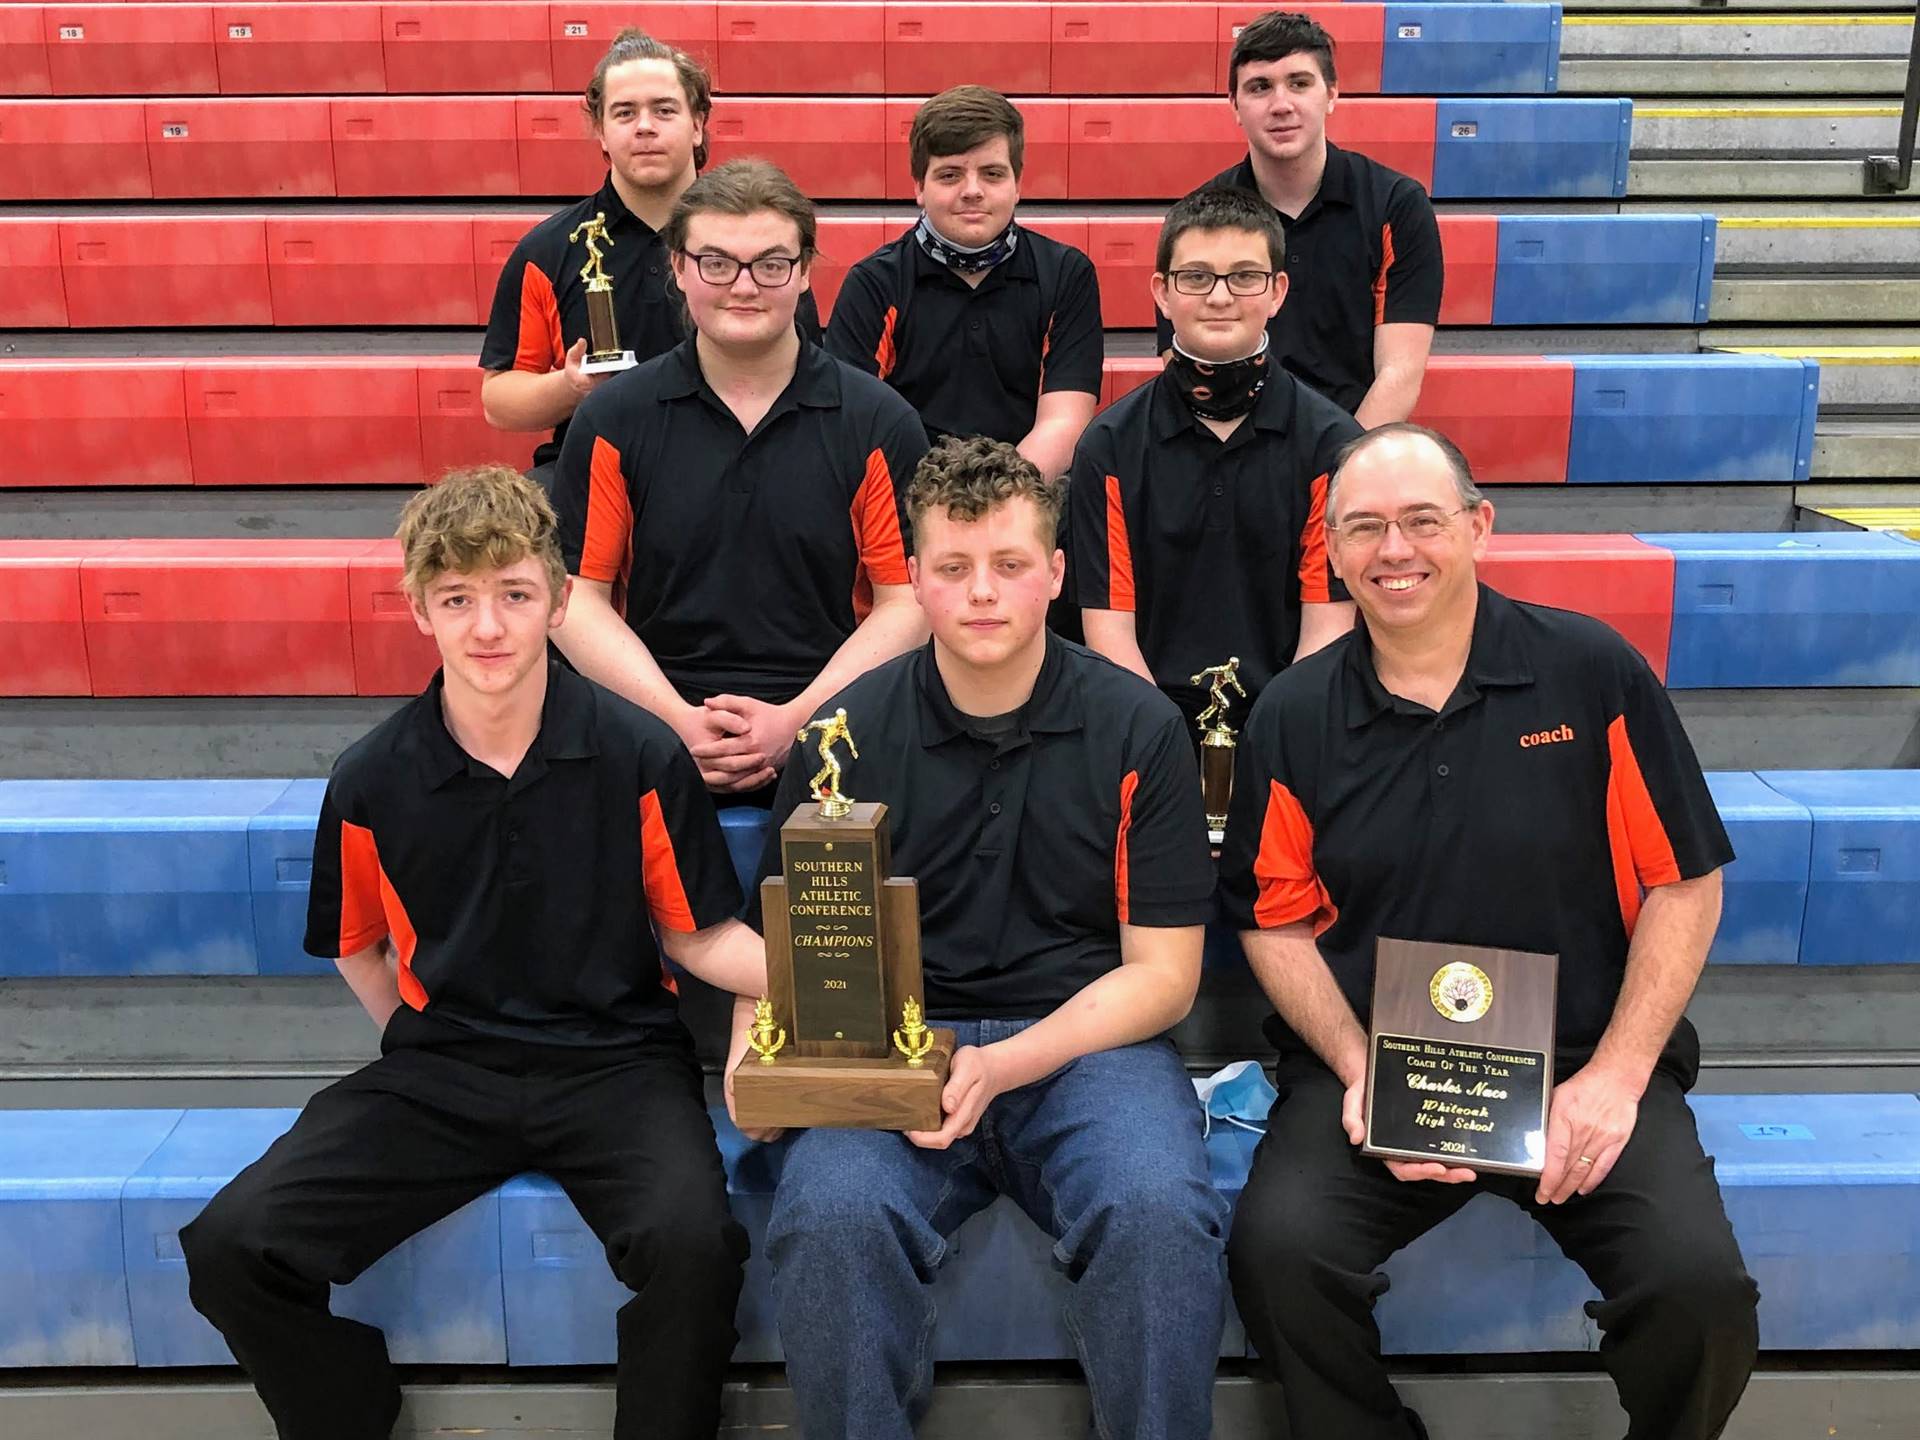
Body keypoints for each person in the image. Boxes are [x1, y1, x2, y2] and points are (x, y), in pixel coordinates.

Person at [180, 465, 772, 1440]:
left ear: (552, 596)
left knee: (696, 1246)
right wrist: (422, 1042)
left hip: (616, 1067)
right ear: (421, 608)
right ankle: (355, 1411)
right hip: (443, 1072)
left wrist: (838, 980)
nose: (488, 626)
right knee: (230, 1245)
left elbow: (697, 937)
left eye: (512, 594)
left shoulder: (638, 754)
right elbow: (359, 951)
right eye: (458, 599)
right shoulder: (372, 778)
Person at [1217, 424, 1759, 1440]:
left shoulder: (1592, 672)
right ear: (1329, 550)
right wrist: (1354, 1064)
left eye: (1423, 521)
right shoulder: (1290, 716)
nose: (1395, 550)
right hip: (1386, 1071)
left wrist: (1615, 1078)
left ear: (1480, 527)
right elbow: (1273, 922)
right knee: (1278, 1257)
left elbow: (1686, 886)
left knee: (1702, 1292)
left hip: (1582, 1071)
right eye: (1364, 527)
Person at [740, 436, 1228, 1440]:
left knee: (1156, 1215)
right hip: (894, 1043)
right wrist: (759, 1058)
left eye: (1010, 566)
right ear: (912, 578)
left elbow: (1167, 978)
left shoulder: (1140, 729)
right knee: (828, 1220)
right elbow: (786, 936)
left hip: (1088, 1042)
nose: (982, 595)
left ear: (1055, 573)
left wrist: (1000, 1065)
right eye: (953, 569)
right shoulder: (842, 736)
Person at [549, 160, 931, 799]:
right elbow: (576, 600)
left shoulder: (878, 422)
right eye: (717, 262)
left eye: (771, 264)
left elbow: (908, 601)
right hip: (651, 721)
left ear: (805, 271)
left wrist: (798, 722)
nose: (744, 286)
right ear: (678, 267)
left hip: (840, 726)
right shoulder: (613, 418)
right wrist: (677, 723)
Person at [479, 29, 820, 490]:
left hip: (747, 463)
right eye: (624, 113)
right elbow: (498, 401)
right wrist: (573, 386)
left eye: (664, 110)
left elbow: (811, 369)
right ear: (599, 129)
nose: (645, 126)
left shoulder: (758, 238)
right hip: (600, 469)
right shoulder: (549, 250)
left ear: (698, 123)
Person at [1075, 186, 1359, 734]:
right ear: (1162, 292)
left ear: (1278, 291)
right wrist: (1161, 748)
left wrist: (1274, 740)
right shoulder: (1107, 446)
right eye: (1197, 276)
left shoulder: (1334, 445)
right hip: (1143, 724)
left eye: (1245, 276)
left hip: (1290, 721)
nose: (1221, 297)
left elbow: (1327, 628)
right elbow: (1108, 631)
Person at [1162, 11, 1442, 424]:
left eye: (1299, 83)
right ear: (1235, 106)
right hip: (1231, 443)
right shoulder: (1197, 219)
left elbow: (1399, 375)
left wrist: (1338, 475)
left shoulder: (1396, 206)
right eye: (1260, 87)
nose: (1281, 105)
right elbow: (1185, 367)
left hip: (1352, 447)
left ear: (1331, 94)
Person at [826, 86, 1103, 483]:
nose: (972, 191)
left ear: (1017, 184)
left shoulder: (1067, 274)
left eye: (992, 174)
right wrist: (937, 508)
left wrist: (1002, 499)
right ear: (919, 187)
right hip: (912, 497)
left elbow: (1063, 421)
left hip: (1028, 497)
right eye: (950, 175)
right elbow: (856, 421)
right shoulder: (874, 282)